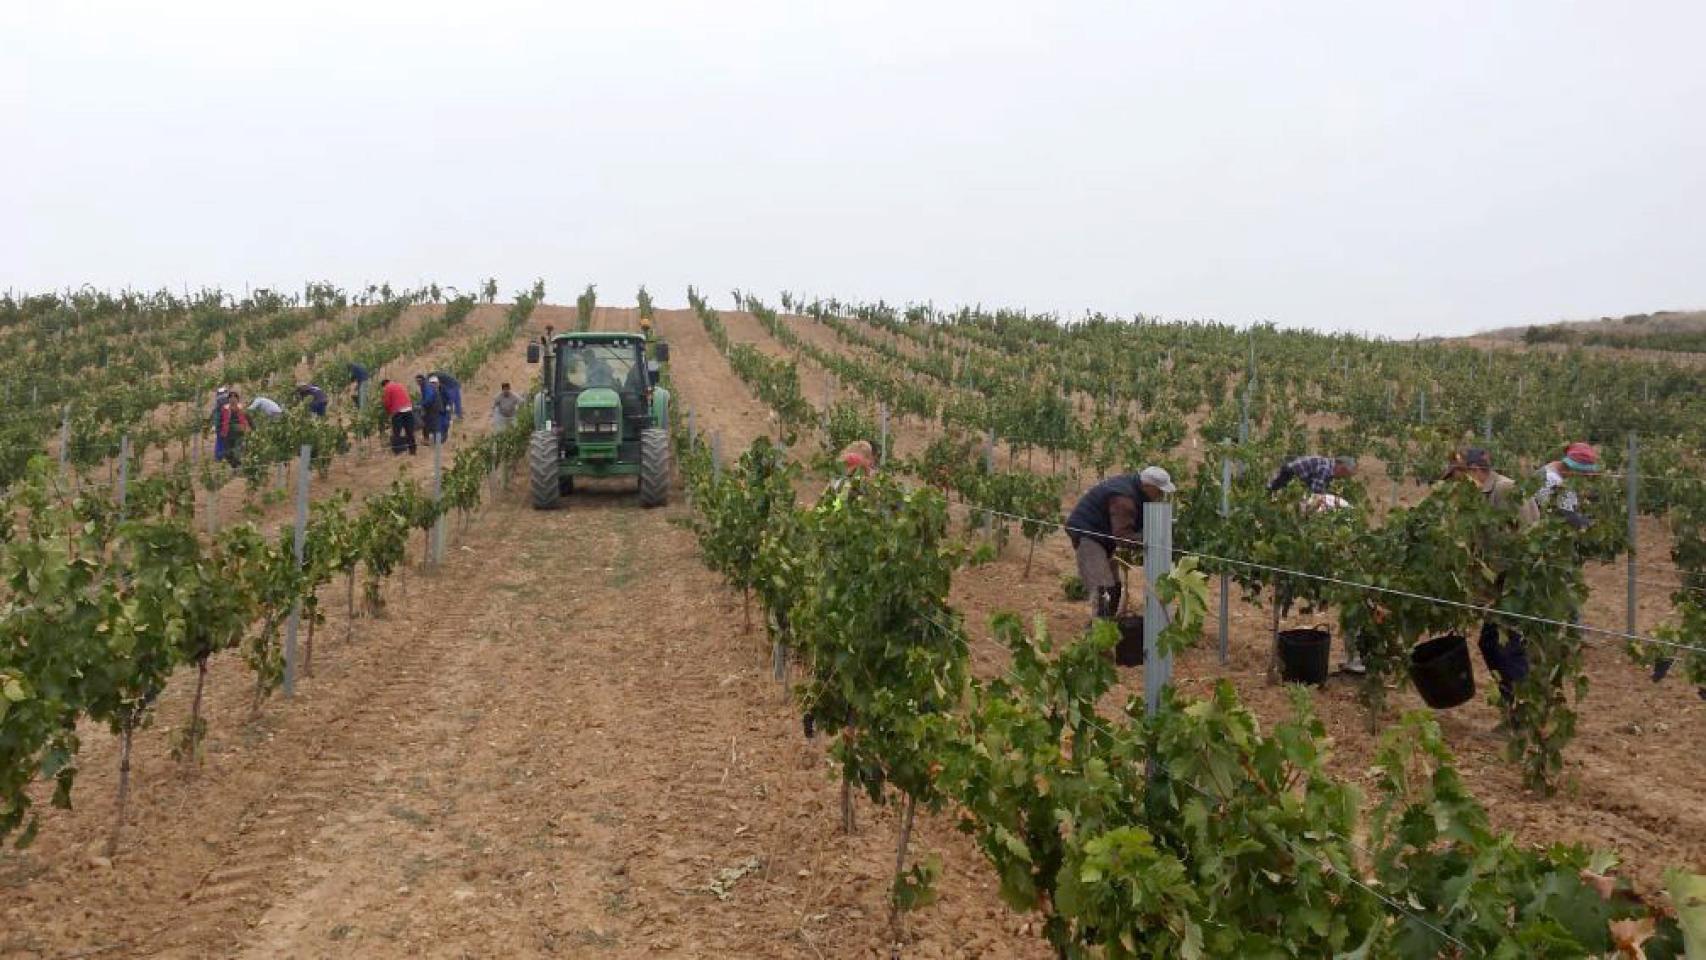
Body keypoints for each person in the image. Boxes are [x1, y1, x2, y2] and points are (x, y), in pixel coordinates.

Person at [1442, 447, 1527, 708]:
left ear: (1474, 471)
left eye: (1457, 476)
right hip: (1497, 586)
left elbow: (1528, 538)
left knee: (1507, 647)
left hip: (1516, 584)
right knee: (1492, 644)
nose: (1454, 484)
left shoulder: (1505, 490)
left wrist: (1512, 586)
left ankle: (1522, 711)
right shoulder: (1474, 499)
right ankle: (1513, 706)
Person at [1064, 466, 1176, 621]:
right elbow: (1123, 537)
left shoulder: (1135, 488)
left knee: (1114, 587)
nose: (1161, 495)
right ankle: (1097, 636)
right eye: (1159, 491)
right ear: (1148, 486)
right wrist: (1150, 539)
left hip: (1102, 536)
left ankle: (1106, 626)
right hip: (1087, 534)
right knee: (1104, 589)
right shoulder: (1125, 500)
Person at [1524, 441, 1599, 528]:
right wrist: (1593, 524)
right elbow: (1569, 517)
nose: (1584, 477)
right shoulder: (1554, 480)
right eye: (1583, 472)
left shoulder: (1553, 467)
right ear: (1573, 467)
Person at [1267, 455, 1356, 494]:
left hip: (1292, 475)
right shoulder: (1326, 468)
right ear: (1341, 466)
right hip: (1288, 474)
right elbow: (1316, 490)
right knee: (1273, 495)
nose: (1342, 476)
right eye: (1345, 473)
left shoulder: (1327, 465)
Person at [381, 377, 416, 455]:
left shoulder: (387, 388)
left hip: (398, 411)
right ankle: (413, 451)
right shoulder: (400, 385)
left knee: (397, 432)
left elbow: (387, 402)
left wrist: (388, 412)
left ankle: (398, 451)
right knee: (410, 432)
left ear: (384, 385)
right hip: (408, 409)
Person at [218, 391, 250, 466]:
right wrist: (219, 429)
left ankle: (236, 467)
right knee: (227, 453)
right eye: (230, 397)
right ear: (228, 399)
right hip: (227, 433)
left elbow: (248, 419)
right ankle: (235, 466)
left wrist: (250, 428)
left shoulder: (242, 409)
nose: (232, 399)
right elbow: (220, 420)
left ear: (237, 399)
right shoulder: (224, 409)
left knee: (237, 452)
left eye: (234, 397)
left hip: (239, 434)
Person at [416, 374, 448, 444]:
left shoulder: (426, 386)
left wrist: (422, 404)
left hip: (434, 407)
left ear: (422, 380)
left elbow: (429, 398)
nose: (418, 382)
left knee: (434, 423)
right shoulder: (423, 386)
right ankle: (426, 440)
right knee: (426, 422)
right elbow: (424, 398)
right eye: (417, 381)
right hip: (432, 407)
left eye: (419, 381)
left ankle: (438, 440)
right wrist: (419, 403)